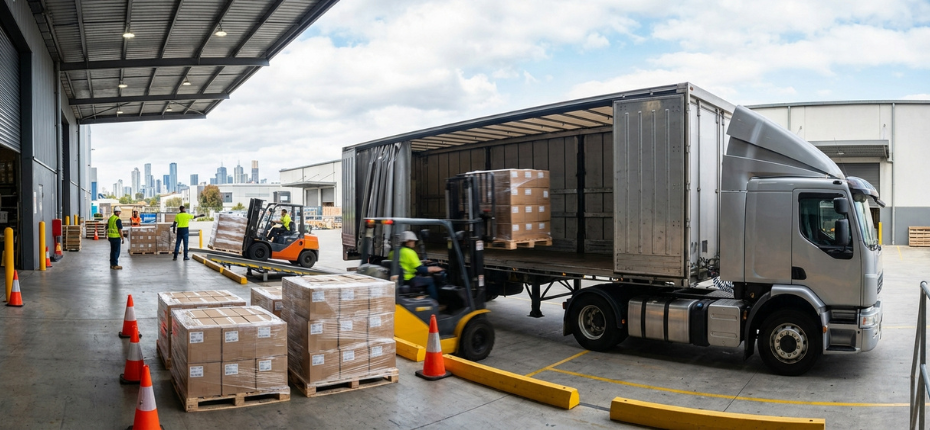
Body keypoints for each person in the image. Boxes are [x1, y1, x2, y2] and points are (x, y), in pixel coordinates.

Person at [390, 231, 443, 301]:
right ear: (407, 241)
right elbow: (420, 269)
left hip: (399, 280)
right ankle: (435, 301)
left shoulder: (393, 252)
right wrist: (434, 268)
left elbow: (403, 262)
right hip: (409, 279)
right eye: (413, 241)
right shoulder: (410, 252)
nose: (414, 242)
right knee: (430, 280)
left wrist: (421, 262)